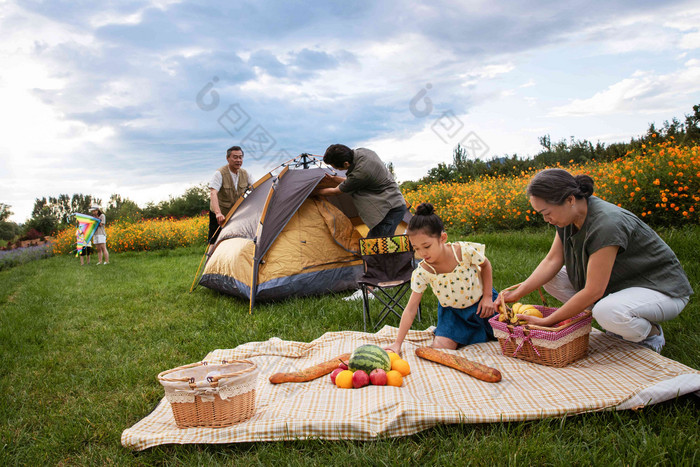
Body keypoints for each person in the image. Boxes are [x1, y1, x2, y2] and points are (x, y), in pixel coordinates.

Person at [495, 168, 692, 353]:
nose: (547, 219)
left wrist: (548, 322)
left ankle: (651, 334)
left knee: (607, 312)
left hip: (661, 289)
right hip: (620, 285)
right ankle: (616, 320)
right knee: (552, 278)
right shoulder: (567, 217)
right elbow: (552, 261)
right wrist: (516, 293)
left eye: (547, 213)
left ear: (570, 199)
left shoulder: (606, 224)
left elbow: (593, 291)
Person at [385, 203, 498, 354]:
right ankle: (458, 334)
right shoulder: (423, 272)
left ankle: (482, 330)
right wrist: (397, 344)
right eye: (416, 248)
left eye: (426, 246)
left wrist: (488, 297)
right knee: (440, 349)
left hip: (481, 305)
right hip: (453, 315)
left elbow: (486, 265)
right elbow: (411, 309)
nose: (422, 253)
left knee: (511, 333)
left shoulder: (463, 252)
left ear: (442, 238)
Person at [317, 144, 406, 238]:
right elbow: (353, 181)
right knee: (378, 246)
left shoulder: (360, 173)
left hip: (389, 210)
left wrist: (314, 192)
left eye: (336, 168)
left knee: (376, 246)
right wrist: (333, 179)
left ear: (346, 164)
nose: (336, 169)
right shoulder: (363, 152)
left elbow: (336, 191)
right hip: (392, 205)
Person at [208, 145, 254, 249]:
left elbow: (256, 189)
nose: (238, 160)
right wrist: (218, 213)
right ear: (228, 158)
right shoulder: (219, 173)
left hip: (236, 213)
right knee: (214, 242)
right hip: (220, 213)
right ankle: (208, 264)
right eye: (235, 157)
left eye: (240, 157)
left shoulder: (246, 174)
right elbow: (213, 193)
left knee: (236, 240)